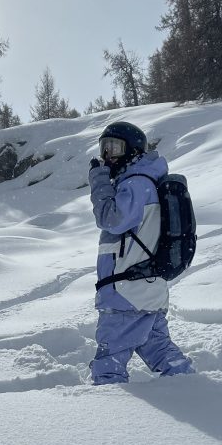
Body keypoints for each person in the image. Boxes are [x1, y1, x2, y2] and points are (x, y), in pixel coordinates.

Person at [88, 121, 194, 385]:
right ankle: (193, 391)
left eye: (114, 147)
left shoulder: (136, 182)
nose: (107, 156)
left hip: (126, 293)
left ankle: (105, 412)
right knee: (158, 348)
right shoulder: (146, 180)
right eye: (104, 148)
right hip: (146, 288)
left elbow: (112, 219)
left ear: (132, 150)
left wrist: (99, 182)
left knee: (109, 359)